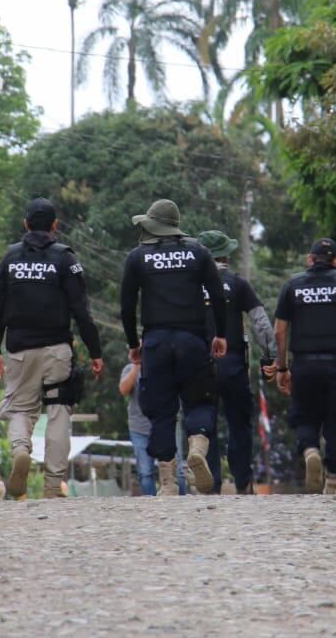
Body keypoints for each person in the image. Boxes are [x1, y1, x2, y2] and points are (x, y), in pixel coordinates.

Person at [0, 198, 102, 500]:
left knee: (21, 409)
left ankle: (21, 449)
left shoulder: (9, 259)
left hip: (20, 351)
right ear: (55, 226)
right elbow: (81, 310)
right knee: (59, 412)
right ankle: (53, 485)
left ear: (25, 224)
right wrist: (95, 351)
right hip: (57, 351)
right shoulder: (65, 259)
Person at [120, 199, 227, 495]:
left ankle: (167, 483)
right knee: (201, 401)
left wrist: (133, 343)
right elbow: (217, 298)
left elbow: (127, 306)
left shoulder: (138, 257)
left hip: (155, 343)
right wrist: (220, 334)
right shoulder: (199, 253)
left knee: (162, 410)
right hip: (193, 340)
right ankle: (197, 447)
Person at [273, 238, 336, 495]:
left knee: (304, 416)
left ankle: (309, 451)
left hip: (304, 366)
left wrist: (283, 367)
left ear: (310, 258)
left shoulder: (292, 286)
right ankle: (332, 481)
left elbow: (280, 331)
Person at [197, 229, 276, 494]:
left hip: (200, 365)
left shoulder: (190, 285)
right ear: (226, 256)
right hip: (233, 364)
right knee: (239, 424)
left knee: (202, 422)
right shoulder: (238, 284)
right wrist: (270, 357)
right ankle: (243, 482)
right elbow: (262, 324)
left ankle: (211, 484)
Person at [120, 359, 158, 496]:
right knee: (145, 472)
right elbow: (123, 389)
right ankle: (150, 503)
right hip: (138, 428)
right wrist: (136, 367)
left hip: (162, 424)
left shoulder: (162, 364)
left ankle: (179, 502)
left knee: (176, 470)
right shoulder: (129, 368)